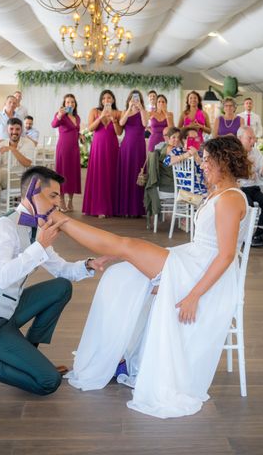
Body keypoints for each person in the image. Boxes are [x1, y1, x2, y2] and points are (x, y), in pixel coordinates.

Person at [64, 136, 252, 419]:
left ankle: (62, 222)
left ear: (223, 161)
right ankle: (122, 354)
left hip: (200, 274)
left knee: (125, 247)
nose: (201, 165)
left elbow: (225, 256)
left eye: (206, 159)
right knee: (126, 270)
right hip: (192, 262)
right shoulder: (219, 193)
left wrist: (192, 295)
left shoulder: (229, 199)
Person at [0, 166, 111, 395]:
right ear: (33, 193)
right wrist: (40, 246)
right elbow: (3, 277)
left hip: (8, 311)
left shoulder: (35, 230)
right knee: (47, 382)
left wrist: (88, 265)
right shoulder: (3, 228)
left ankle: (29, 354)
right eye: (53, 196)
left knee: (61, 287)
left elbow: (61, 269)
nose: (58, 204)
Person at [83, 89, 122, 218]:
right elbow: (90, 128)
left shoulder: (118, 113)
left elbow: (119, 133)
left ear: (113, 100)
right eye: (104, 98)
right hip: (98, 147)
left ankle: (111, 208)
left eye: (109, 98)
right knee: (98, 174)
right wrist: (101, 117)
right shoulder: (94, 111)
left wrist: (113, 119)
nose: (106, 100)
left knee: (111, 174)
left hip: (112, 146)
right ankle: (97, 207)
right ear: (101, 100)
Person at [237, 126, 263, 247]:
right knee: (250, 206)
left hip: (253, 188)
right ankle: (244, 237)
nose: (253, 141)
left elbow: (261, 174)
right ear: (240, 138)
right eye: (250, 138)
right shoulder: (234, 153)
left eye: (253, 138)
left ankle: (258, 235)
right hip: (240, 189)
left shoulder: (256, 152)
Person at [117, 90, 148, 217]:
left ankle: (137, 209)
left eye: (137, 98)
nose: (135, 100)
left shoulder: (144, 111)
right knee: (126, 174)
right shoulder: (125, 111)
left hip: (139, 147)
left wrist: (140, 109)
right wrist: (130, 108)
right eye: (133, 98)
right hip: (126, 146)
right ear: (129, 99)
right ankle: (124, 209)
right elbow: (121, 123)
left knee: (137, 175)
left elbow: (145, 124)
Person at [52, 93, 83, 213]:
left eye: (72, 102)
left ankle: (70, 200)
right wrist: (59, 115)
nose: (70, 104)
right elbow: (53, 124)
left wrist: (80, 135)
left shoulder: (77, 117)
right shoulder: (61, 116)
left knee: (72, 174)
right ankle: (61, 200)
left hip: (74, 148)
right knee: (62, 173)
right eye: (68, 102)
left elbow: (76, 130)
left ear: (75, 104)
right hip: (63, 148)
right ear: (64, 104)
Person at [163, 127, 206, 194]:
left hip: (204, 185)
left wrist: (197, 157)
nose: (195, 140)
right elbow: (166, 162)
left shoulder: (201, 153)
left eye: (197, 138)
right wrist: (185, 155)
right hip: (187, 188)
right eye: (192, 138)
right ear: (184, 140)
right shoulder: (178, 151)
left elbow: (208, 168)